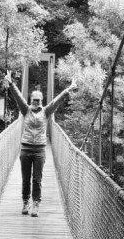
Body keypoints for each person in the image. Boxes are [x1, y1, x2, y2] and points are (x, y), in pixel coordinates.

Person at [4, 70, 77, 217]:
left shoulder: (46, 111)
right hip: (25, 148)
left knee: (37, 178)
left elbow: (57, 100)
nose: (35, 103)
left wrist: (69, 88)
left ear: (41, 101)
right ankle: (26, 202)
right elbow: (18, 97)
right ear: (31, 100)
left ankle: (36, 204)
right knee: (26, 178)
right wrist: (11, 83)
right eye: (33, 100)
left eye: (38, 100)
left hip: (39, 150)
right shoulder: (25, 110)